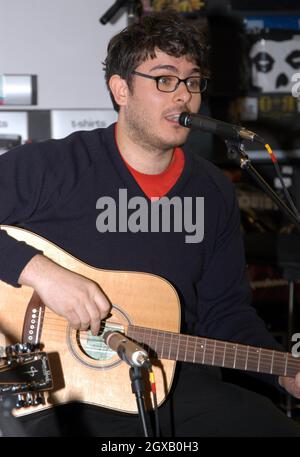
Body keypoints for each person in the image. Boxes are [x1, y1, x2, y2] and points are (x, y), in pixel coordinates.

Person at [0, 10, 300, 437]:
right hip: (54, 392)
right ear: (120, 89)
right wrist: (42, 273)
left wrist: (284, 371)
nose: (183, 97)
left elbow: (226, 313)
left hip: (169, 384)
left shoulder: (212, 190)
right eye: (164, 79)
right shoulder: (57, 165)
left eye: (192, 81)